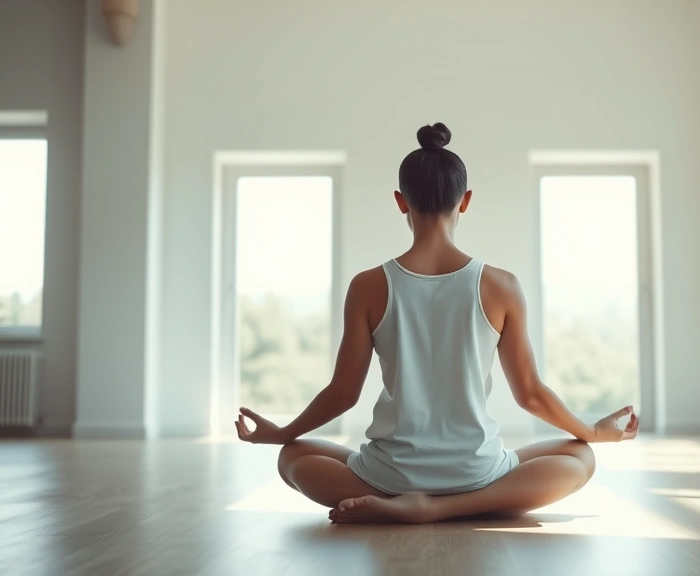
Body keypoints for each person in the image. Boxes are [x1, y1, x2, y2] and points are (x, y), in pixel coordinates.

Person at [234, 122, 639, 524]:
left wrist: (282, 432)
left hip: (389, 475)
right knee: (581, 456)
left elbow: (343, 393)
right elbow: (530, 395)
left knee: (293, 457)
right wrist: (593, 431)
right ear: (465, 201)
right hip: (476, 473)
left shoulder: (368, 286)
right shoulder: (501, 285)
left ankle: (411, 503)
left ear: (400, 201)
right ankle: (449, 507)